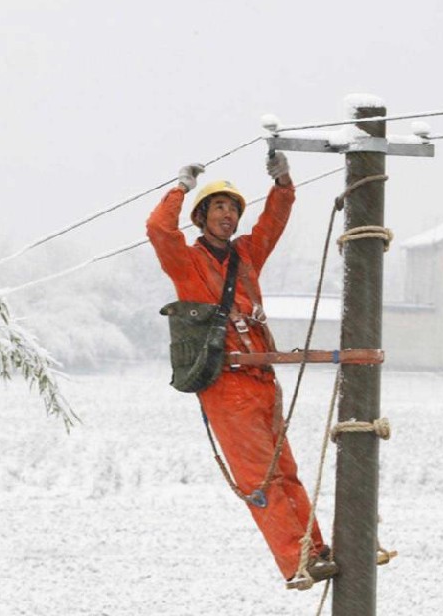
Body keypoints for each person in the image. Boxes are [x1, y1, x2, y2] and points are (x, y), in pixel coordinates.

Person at [146, 152, 336, 584]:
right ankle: (297, 560)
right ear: (201, 216)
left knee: (286, 472)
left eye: (233, 208)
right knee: (261, 478)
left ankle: (317, 547)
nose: (228, 215)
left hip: (261, 378)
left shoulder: (246, 255)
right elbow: (159, 230)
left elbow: (274, 221)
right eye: (219, 207)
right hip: (226, 385)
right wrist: (180, 188)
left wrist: (283, 182)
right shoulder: (186, 262)